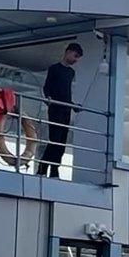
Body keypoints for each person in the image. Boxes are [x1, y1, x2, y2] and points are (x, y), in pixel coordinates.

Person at [34, 42, 84, 178]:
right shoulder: (54, 69)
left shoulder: (71, 72)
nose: (75, 60)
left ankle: (54, 169)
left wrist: (73, 105)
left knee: (61, 143)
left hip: (66, 109)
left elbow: (66, 94)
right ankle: (43, 168)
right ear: (68, 52)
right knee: (55, 140)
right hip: (56, 108)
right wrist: (48, 98)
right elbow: (47, 87)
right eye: (75, 56)